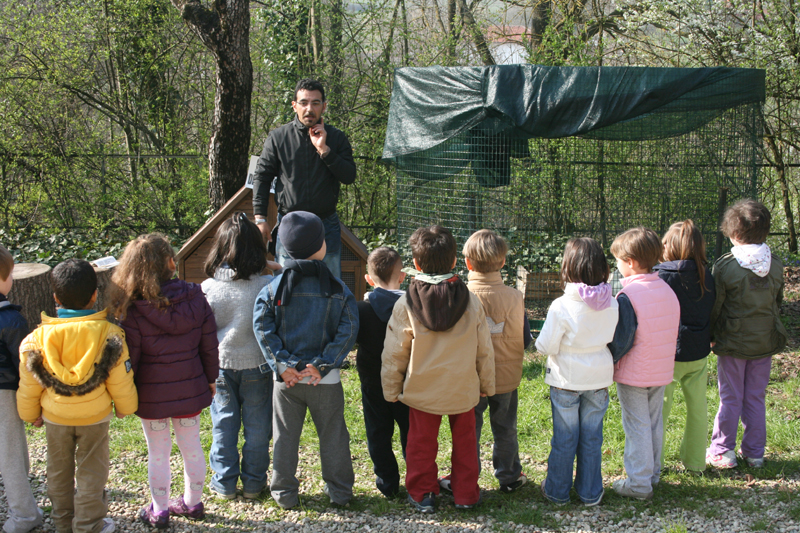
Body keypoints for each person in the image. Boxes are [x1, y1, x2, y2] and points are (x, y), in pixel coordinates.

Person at [17, 259, 138, 533]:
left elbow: (29, 385)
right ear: (95, 294)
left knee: (58, 471)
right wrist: (125, 407)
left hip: (55, 417)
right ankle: (88, 524)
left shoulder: (34, 341)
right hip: (94, 417)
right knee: (92, 472)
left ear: (55, 298)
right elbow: (121, 378)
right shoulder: (111, 335)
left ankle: (62, 522)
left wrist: (30, 414)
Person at [108, 234, 219, 529]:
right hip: (190, 387)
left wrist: (129, 391)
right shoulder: (196, 297)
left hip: (151, 395)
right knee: (192, 446)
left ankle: (159, 510)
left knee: (158, 452)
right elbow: (209, 345)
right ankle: (193, 502)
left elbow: (133, 359)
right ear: (171, 262)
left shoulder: (132, 310)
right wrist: (211, 378)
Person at [382, 225, 495, 513]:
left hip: (422, 390)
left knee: (420, 444)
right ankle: (466, 493)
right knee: (466, 443)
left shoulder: (405, 302)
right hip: (463, 387)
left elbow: (395, 353)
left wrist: (391, 389)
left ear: (416, 263)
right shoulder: (471, 301)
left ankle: (422, 493)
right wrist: (487, 384)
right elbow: (484, 348)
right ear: (455, 260)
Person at [253, 211, 358, 509]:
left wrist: (284, 365)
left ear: (283, 247)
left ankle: (284, 493)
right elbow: (349, 329)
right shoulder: (339, 289)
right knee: (334, 435)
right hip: (325, 380)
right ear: (322, 246)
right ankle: (340, 492)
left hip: (286, 381)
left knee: (284, 437)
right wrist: (323, 364)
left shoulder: (271, 290)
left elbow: (262, 327)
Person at [439, 230, 532, 496]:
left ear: (467, 263)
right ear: (503, 263)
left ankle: (465, 476)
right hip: (506, 377)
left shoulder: (461, 296)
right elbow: (525, 339)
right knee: (505, 427)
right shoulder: (515, 296)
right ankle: (510, 475)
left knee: (469, 429)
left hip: (471, 378)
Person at [201, 213, 282, 500]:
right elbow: (283, 275)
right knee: (259, 428)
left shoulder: (209, 288)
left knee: (223, 424)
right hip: (258, 365)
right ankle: (253, 483)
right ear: (257, 249)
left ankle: (223, 484)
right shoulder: (266, 285)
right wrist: (273, 265)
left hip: (220, 366)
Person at [536, 238, 619, 506]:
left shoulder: (562, 305)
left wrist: (540, 345)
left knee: (564, 438)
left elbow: (546, 344)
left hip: (566, 381)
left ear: (568, 267)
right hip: (598, 379)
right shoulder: (613, 303)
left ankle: (557, 491)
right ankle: (590, 492)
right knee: (592, 437)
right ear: (603, 268)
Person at [707, 200, 787, 469]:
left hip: (731, 342)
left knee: (730, 396)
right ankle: (754, 453)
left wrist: (711, 334)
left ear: (733, 233)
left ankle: (722, 450)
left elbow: (716, 306)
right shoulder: (775, 264)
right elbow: (777, 302)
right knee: (755, 396)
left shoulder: (726, 266)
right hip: (765, 339)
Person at [251, 78, 356, 278]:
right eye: (304, 103)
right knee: (286, 283)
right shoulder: (278, 138)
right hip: (290, 223)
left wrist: (325, 150)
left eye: (315, 103)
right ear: (294, 106)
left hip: (326, 224)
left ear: (324, 106)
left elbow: (349, 176)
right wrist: (260, 218)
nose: (309, 108)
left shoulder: (336, 138)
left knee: (330, 285)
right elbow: (262, 177)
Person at [610, 227, 680, 500]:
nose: (616, 266)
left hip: (634, 373)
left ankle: (639, 483)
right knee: (653, 422)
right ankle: (652, 473)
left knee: (636, 425)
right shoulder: (667, 290)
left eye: (617, 260)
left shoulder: (628, 296)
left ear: (630, 262)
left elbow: (622, 338)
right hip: (660, 370)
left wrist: (610, 359)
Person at [653, 220, 715, 474]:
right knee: (698, 408)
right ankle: (696, 462)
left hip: (669, 354)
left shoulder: (661, 276)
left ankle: (655, 463)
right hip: (698, 352)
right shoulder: (707, 275)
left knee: (661, 410)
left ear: (670, 246)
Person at [355, 246, 409, 499]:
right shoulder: (413, 308)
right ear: (403, 276)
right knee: (411, 431)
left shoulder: (361, 310)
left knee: (377, 431)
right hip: (408, 381)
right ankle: (417, 478)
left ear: (368, 279)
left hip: (373, 380)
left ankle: (387, 483)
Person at [0, 245, 44, 533]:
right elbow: (26, 368)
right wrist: (35, 403)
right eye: (11, 274)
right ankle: (25, 515)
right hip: (4, 393)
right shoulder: (12, 319)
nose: (13, 279)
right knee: (12, 454)